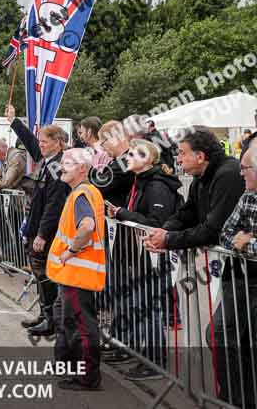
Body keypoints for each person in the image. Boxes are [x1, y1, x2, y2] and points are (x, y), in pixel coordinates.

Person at [105, 139, 182, 380]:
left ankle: (155, 361)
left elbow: (156, 223)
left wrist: (122, 213)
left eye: (137, 154)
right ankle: (137, 353)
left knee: (148, 308)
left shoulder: (157, 185)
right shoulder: (139, 181)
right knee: (137, 305)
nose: (129, 157)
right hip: (137, 255)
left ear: (150, 159)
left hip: (153, 257)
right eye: (128, 153)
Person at [6, 104, 71, 336]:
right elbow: (33, 146)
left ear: (58, 142)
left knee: (45, 274)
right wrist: (14, 122)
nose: (40, 145)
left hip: (48, 231)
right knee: (39, 273)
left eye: (45, 141)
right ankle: (45, 315)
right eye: (41, 141)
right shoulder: (48, 159)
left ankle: (51, 320)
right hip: (37, 225)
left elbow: (55, 204)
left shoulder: (59, 165)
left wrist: (42, 234)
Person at [46, 148, 106, 391]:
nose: (61, 168)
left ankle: (87, 377)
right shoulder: (84, 192)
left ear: (82, 168)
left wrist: (69, 252)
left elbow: (87, 226)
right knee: (71, 321)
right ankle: (75, 370)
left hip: (77, 273)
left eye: (67, 164)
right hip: (75, 274)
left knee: (81, 326)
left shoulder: (82, 194)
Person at [145, 128, 244, 252]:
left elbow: (214, 229)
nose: (178, 160)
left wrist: (168, 240)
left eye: (182, 153)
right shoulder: (200, 176)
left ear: (200, 157)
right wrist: (165, 232)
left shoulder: (229, 175)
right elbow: (186, 214)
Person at [215, 145, 257, 408]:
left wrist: (248, 243)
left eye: (245, 169)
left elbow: (236, 238)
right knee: (219, 334)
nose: (241, 174)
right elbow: (225, 234)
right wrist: (243, 242)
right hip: (241, 279)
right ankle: (234, 399)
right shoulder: (247, 197)